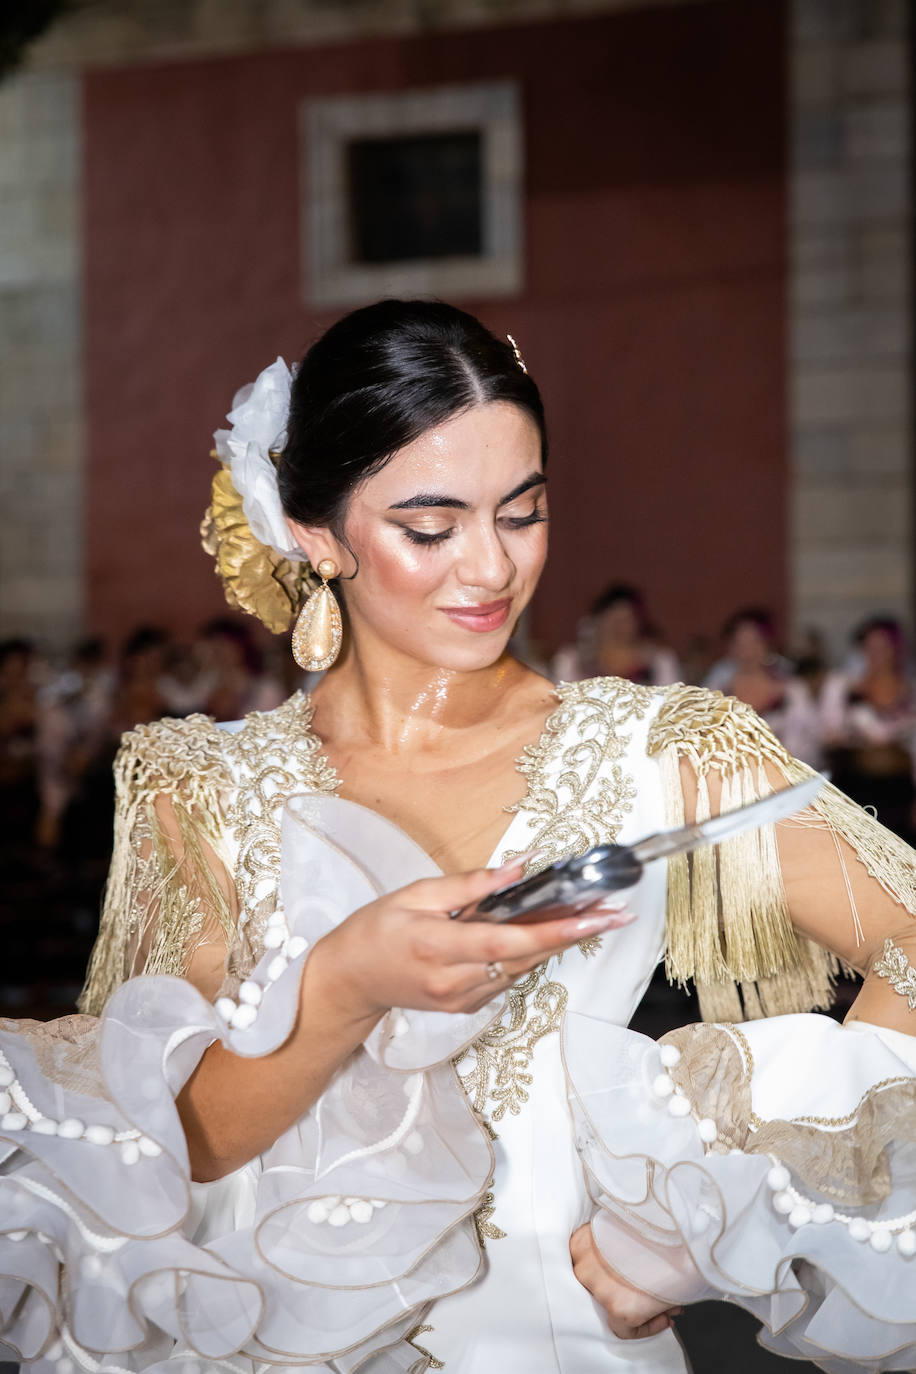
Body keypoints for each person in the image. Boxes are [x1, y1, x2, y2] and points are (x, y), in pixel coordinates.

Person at [1, 302, 915, 1374]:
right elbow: (176, 1142)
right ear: (315, 532)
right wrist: (343, 984)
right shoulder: (196, 783)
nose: (488, 570)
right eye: (428, 528)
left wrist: (701, 1215)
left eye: (521, 514)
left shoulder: (659, 747)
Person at [821, 615, 916, 844]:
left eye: (883, 646)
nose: (876, 653)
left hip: (901, 788)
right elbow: (828, 735)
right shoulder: (843, 688)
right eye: (869, 646)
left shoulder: (911, 691)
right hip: (855, 786)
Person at [703, 607, 822, 767]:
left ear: (767, 644)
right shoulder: (717, 689)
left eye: (754, 642)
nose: (746, 651)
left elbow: (811, 738)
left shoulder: (791, 690)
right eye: (739, 643)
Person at [551, 582, 680, 686]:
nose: (618, 626)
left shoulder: (660, 662)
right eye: (612, 619)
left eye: (626, 619)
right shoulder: (571, 661)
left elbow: (670, 706)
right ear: (598, 620)